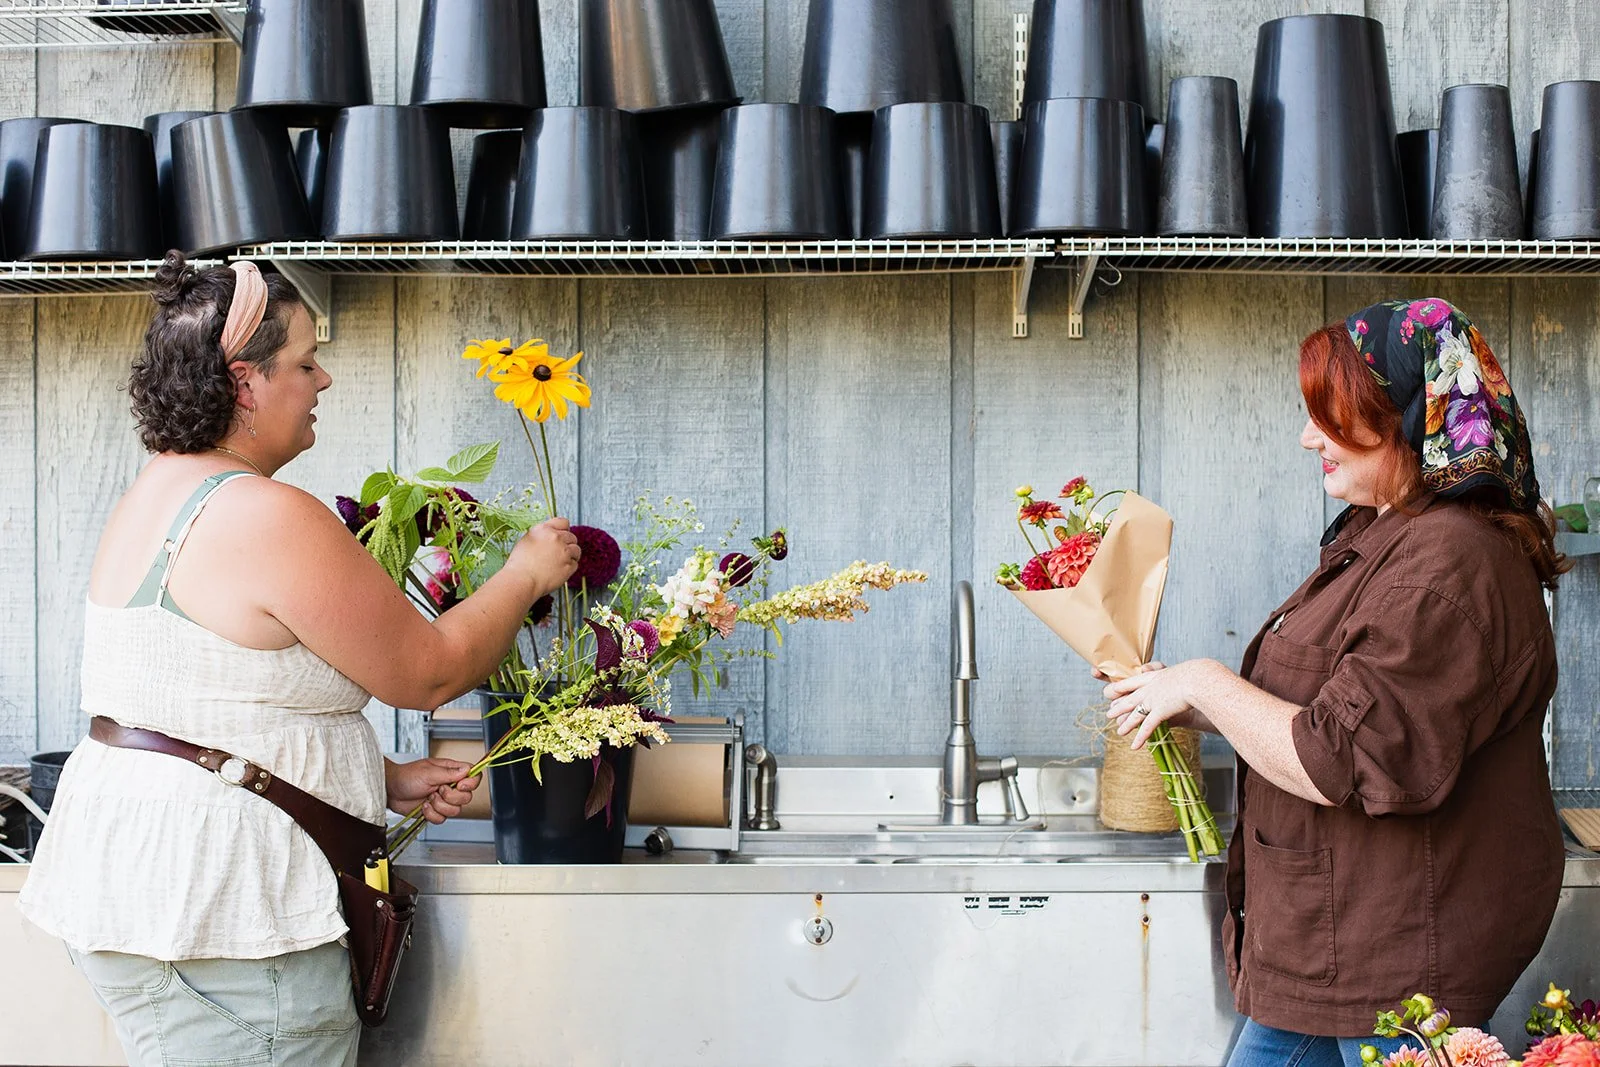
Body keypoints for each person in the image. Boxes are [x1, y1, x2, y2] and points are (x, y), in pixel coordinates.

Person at [17, 253, 581, 1066]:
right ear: (245, 382)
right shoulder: (265, 514)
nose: (322, 380)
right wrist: (526, 571)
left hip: (139, 904)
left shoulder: (154, 493)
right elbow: (427, 669)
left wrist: (380, 777)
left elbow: (194, 694)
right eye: (305, 362)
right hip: (233, 927)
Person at [1103, 298, 1568, 1067]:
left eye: (1331, 415)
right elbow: (1329, 709)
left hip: (1394, 966)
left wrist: (1209, 681)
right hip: (1332, 950)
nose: (1306, 436)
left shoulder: (1447, 564)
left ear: (1409, 417)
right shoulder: (1385, 534)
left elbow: (1338, 757)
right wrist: (1183, 696)